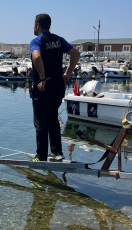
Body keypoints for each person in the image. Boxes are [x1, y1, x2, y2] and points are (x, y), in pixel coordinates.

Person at [30, 13, 80, 162]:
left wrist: (43, 78)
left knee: (40, 122)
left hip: (43, 87)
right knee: (53, 118)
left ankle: (41, 156)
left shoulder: (37, 41)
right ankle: (57, 153)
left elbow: (37, 57)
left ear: (38, 25)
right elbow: (76, 54)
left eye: (34, 24)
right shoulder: (59, 40)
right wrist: (67, 74)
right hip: (58, 86)